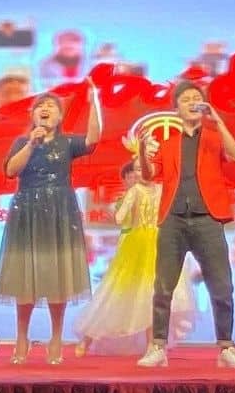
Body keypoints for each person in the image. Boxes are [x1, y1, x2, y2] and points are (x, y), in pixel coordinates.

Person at [137, 80, 235, 369]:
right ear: (176, 108)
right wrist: (141, 150)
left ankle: (226, 347)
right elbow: (149, 175)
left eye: (196, 98)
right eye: (185, 98)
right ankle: (158, 347)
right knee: (163, 287)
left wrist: (218, 120)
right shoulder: (168, 144)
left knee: (222, 287)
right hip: (173, 220)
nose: (191, 102)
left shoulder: (213, 137)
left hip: (208, 219)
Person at [0, 82, 101, 364]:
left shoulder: (68, 143)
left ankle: (56, 338)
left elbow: (93, 139)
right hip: (27, 212)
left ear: (60, 116)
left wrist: (94, 102)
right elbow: (10, 170)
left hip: (58, 212)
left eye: (51, 106)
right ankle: (21, 337)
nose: (45, 109)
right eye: (40, 105)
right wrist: (32, 143)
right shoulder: (22, 142)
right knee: (24, 276)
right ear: (33, 115)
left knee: (57, 276)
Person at [73, 147, 198, 356]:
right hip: (134, 248)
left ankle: (152, 345)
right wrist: (120, 212)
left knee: (154, 295)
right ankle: (87, 339)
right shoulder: (133, 192)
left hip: (159, 245)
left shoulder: (162, 190)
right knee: (116, 295)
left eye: (144, 168)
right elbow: (120, 217)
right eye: (136, 170)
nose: (140, 173)